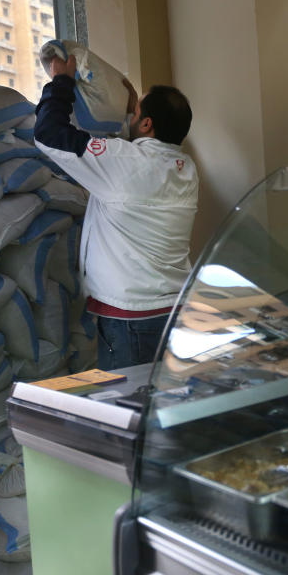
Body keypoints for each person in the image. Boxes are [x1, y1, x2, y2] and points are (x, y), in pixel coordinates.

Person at [34, 54, 198, 370]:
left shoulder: (124, 163)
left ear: (147, 124)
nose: (129, 117)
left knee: (128, 406)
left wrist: (61, 82)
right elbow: (129, 156)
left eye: (135, 112)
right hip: (175, 307)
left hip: (130, 318)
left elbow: (49, 133)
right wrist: (131, 111)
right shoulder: (185, 169)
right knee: (164, 401)